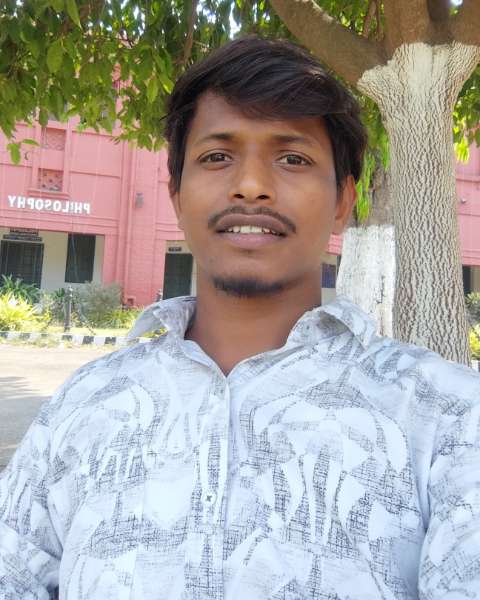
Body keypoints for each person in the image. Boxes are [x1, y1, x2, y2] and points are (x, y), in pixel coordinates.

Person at [1, 35, 479, 600]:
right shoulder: (85, 405)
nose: (251, 186)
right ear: (176, 196)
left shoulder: (448, 418)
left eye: (293, 158)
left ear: (343, 201)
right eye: (217, 157)